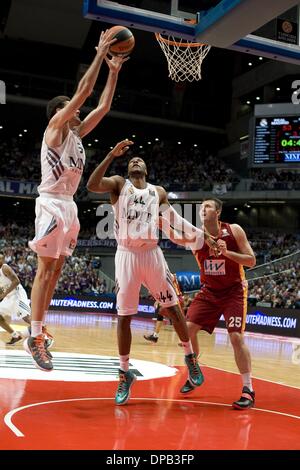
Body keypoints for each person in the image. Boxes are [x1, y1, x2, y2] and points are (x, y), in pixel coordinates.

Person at [24, 31, 128, 371]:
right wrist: (99, 54)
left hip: (69, 205)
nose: (80, 110)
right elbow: (84, 92)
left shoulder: (77, 137)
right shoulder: (55, 129)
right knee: (44, 271)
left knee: (55, 273)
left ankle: (41, 327)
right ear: (61, 111)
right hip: (51, 203)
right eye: (73, 107)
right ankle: (34, 336)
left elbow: (104, 106)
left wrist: (113, 72)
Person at [87, 141, 215, 405]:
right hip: (126, 255)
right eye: (131, 160)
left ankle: (190, 358)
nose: (135, 161)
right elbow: (91, 185)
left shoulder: (158, 192)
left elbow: (176, 222)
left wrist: (203, 236)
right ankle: (124, 373)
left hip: (152, 254)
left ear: (146, 168)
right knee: (124, 317)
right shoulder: (119, 185)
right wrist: (111, 154)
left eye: (139, 160)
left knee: (174, 308)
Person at [160, 197, 256, 409]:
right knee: (186, 331)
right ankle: (195, 371)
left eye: (208, 206)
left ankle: (248, 389)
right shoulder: (197, 235)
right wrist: (160, 222)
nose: (202, 209)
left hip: (234, 291)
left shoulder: (234, 231)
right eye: (201, 207)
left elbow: (251, 260)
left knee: (236, 337)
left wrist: (227, 253)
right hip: (209, 292)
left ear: (218, 212)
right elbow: (176, 237)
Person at [0, 253, 31, 344]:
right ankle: (15, 335)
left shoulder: (4, 268)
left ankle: (43, 333)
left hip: (17, 295)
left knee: (26, 318)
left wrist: (3, 294)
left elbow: (16, 281)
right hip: (8, 297)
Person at [144, 273, 183, 343]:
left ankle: (185, 338)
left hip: (175, 299)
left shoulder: (167, 276)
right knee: (161, 313)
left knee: (177, 319)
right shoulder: (168, 276)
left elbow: (165, 290)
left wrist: (158, 300)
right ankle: (155, 336)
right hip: (174, 298)